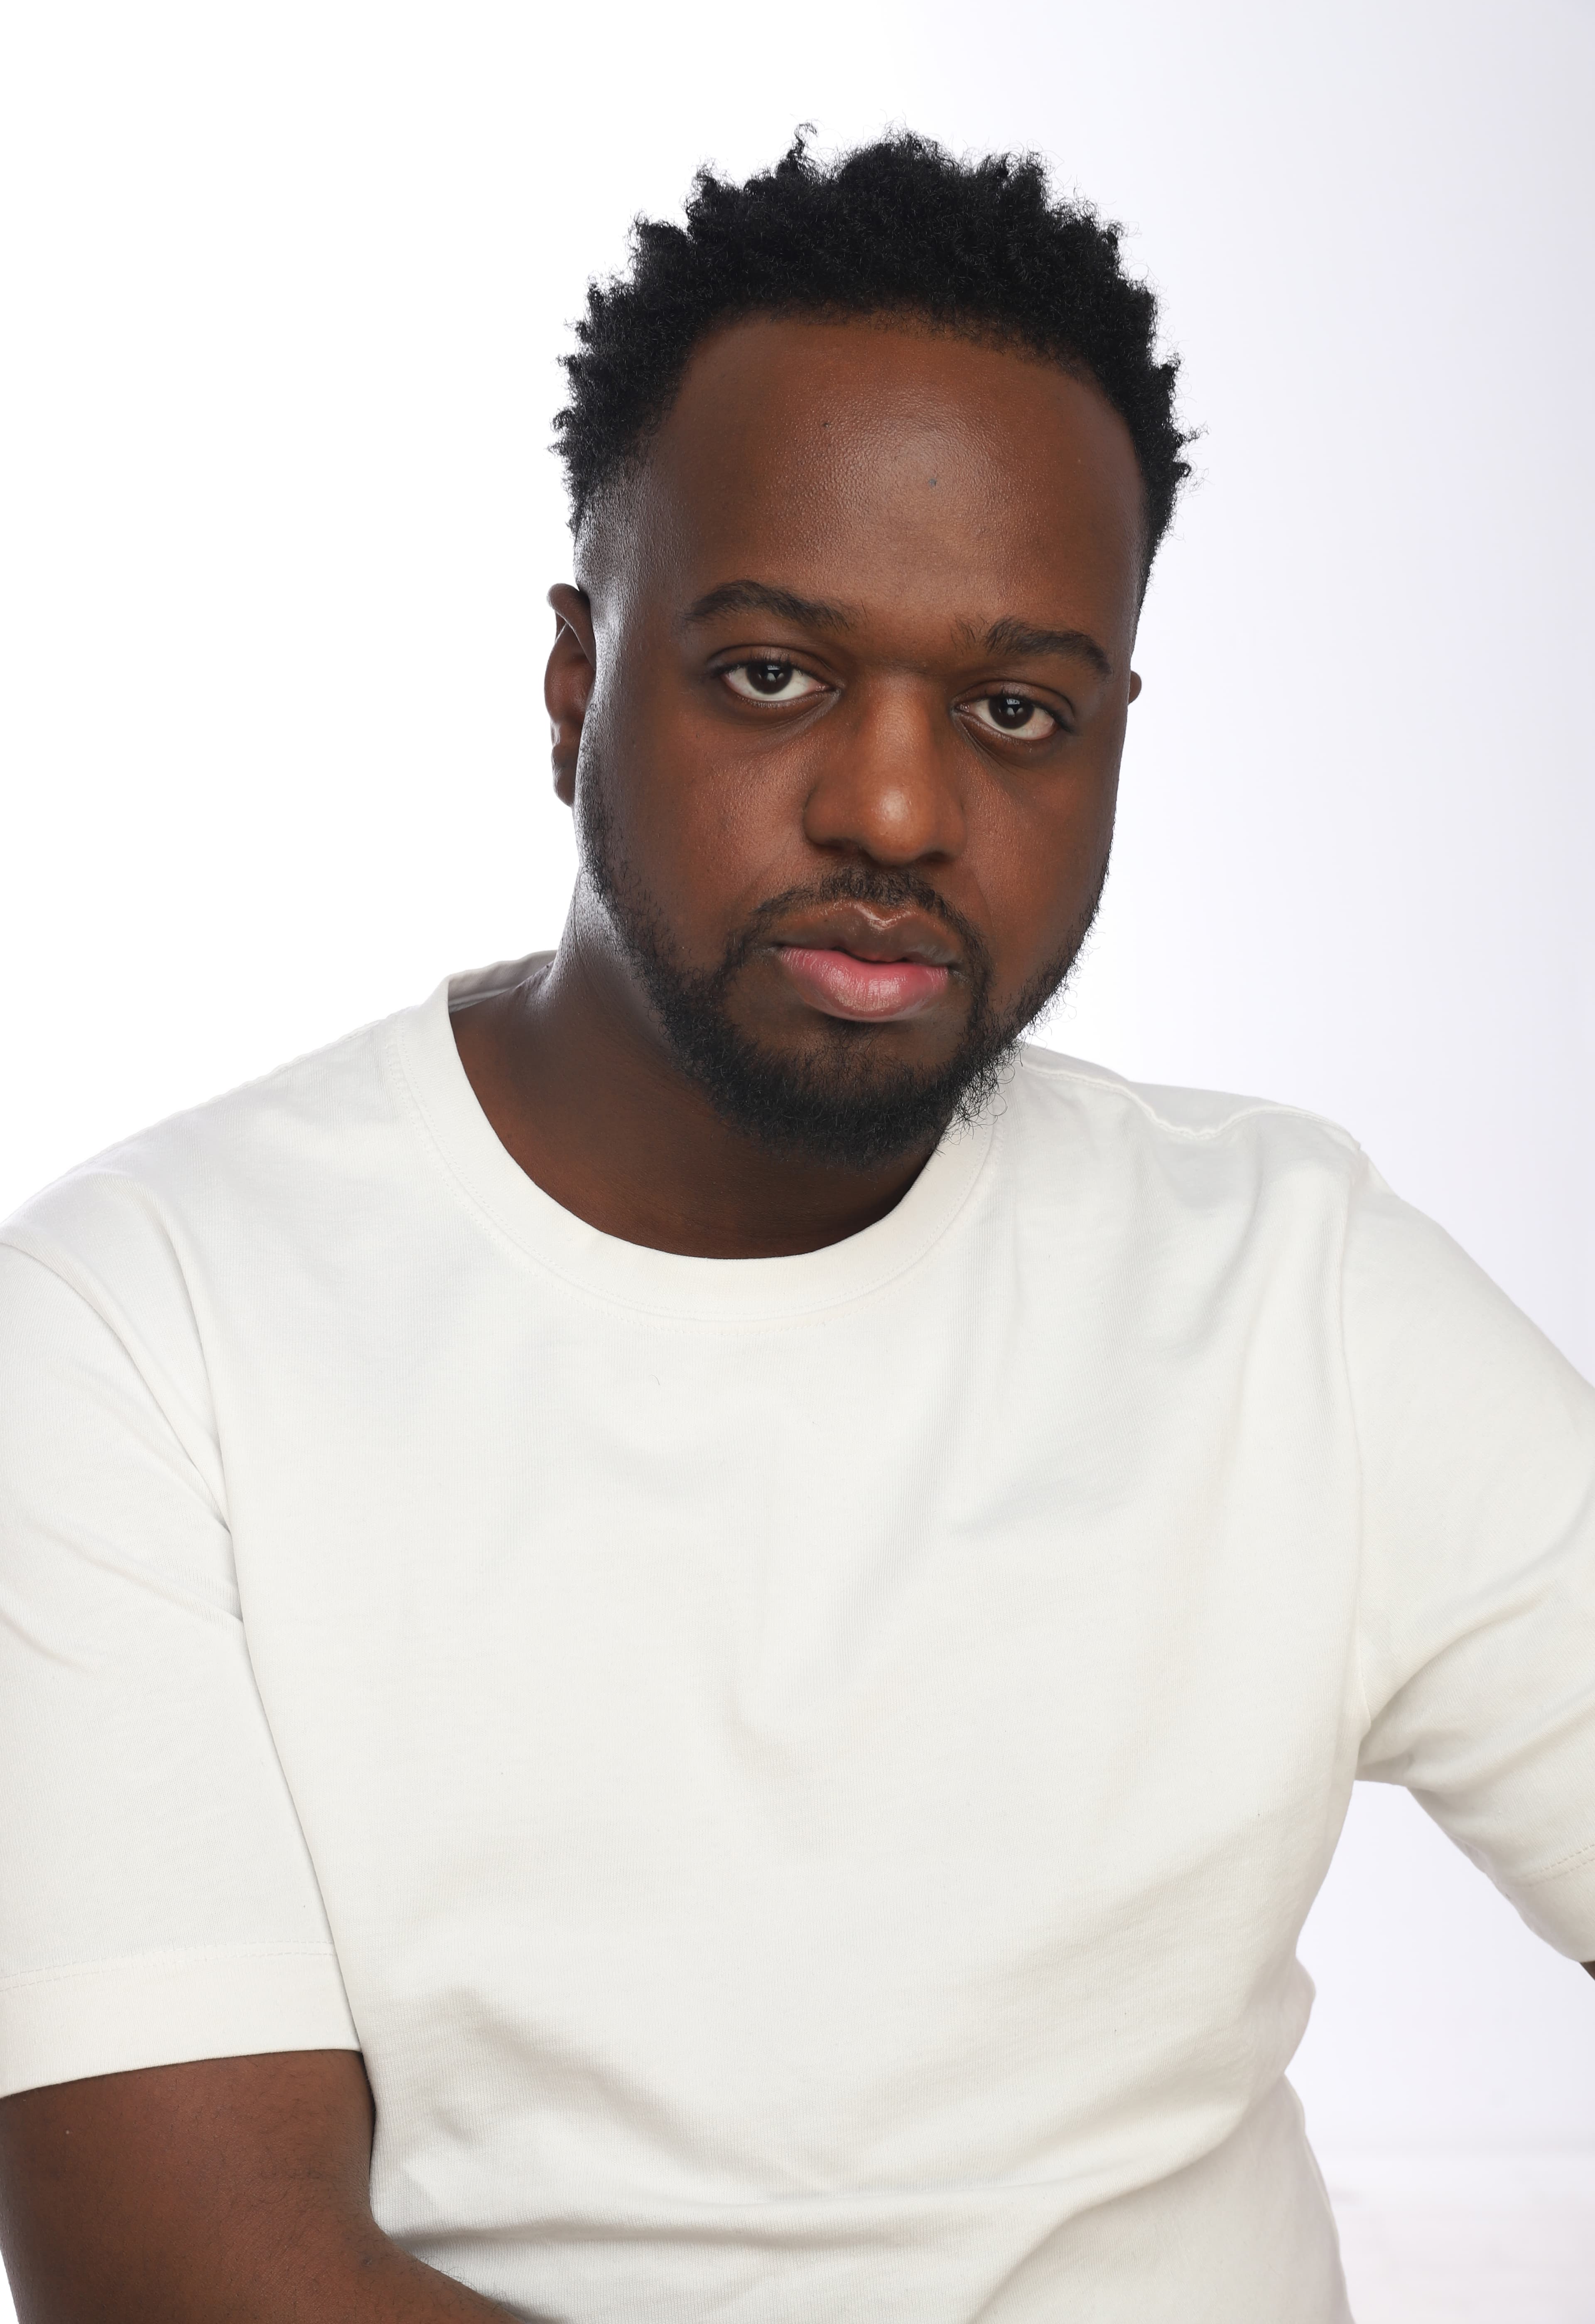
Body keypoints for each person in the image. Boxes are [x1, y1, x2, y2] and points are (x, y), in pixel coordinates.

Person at [0, 131, 1591, 2324]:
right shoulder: (138, 1334)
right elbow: (193, 2283)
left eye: (1017, 711)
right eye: (774, 674)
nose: (898, 808)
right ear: (576, 682)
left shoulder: (1290, 1286)